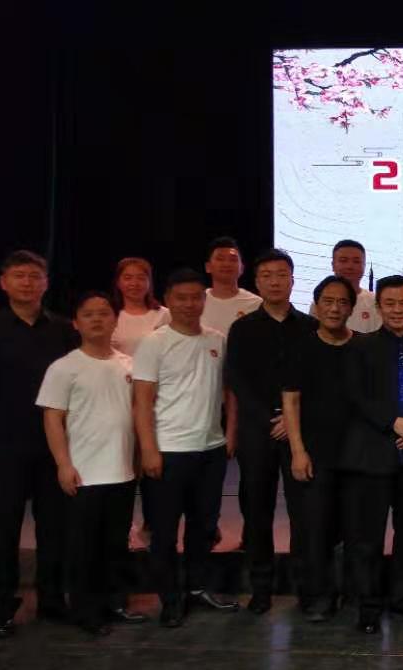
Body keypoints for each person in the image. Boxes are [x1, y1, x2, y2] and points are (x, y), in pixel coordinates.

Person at [0, 250, 78, 638]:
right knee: (4, 529)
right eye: (19, 276)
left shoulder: (63, 329)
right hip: (4, 445)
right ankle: (2, 608)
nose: (27, 283)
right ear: (4, 283)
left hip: (54, 445)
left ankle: (51, 600)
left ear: (46, 283)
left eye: (34, 276)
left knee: (54, 528)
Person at [132, 268, 239, 628]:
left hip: (210, 449)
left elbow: (229, 391)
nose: (190, 304)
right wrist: (148, 449)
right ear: (168, 300)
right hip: (168, 450)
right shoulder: (154, 342)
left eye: (196, 297)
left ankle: (197, 588)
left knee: (203, 526)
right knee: (164, 532)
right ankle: (170, 599)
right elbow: (142, 400)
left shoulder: (217, 339)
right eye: (181, 298)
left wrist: (230, 433)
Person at [36, 291, 141, 636]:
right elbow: (52, 419)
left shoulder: (128, 364)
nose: (97, 319)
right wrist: (63, 465)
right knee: (84, 549)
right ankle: (86, 611)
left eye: (104, 313)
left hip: (122, 471)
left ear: (115, 320)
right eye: (89, 314)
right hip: (84, 473)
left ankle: (115, 603)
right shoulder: (64, 367)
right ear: (76, 322)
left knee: (115, 544)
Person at [341, 275, 403, 633]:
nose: (398, 310)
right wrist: (393, 422)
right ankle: (368, 606)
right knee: (368, 538)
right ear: (378, 307)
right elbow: (355, 396)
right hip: (372, 456)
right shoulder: (360, 347)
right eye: (390, 304)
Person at [224, 248, 316, 615]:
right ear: (257, 282)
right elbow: (237, 381)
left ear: (293, 280)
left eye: (281, 275)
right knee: (257, 510)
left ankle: (305, 587)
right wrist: (270, 420)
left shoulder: (310, 327)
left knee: (303, 512)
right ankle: (260, 588)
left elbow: (318, 381)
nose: (275, 282)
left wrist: (293, 422)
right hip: (257, 432)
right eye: (267, 276)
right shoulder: (242, 328)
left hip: (300, 434)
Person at [282, 275, 359, 623]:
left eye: (342, 302)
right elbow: (291, 401)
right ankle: (317, 596)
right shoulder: (301, 346)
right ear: (316, 305)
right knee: (315, 527)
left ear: (352, 308)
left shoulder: (361, 346)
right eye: (328, 301)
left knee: (352, 527)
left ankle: (350, 592)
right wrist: (298, 450)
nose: (335, 308)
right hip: (315, 453)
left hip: (356, 453)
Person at [309, 239, 381, 334]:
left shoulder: (375, 302)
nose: (349, 266)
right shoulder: (319, 303)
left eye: (356, 261)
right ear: (333, 265)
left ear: (364, 265)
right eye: (343, 261)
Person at [200, 236, 262, 336]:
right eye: (220, 259)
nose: (226, 264)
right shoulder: (197, 301)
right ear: (208, 267)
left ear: (242, 268)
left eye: (233, 260)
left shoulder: (257, 304)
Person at [112, 257, 170, 356]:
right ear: (118, 282)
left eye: (141, 278)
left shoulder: (164, 314)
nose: (134, 283)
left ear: (149, 282)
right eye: (128, 278)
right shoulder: (111, 316)